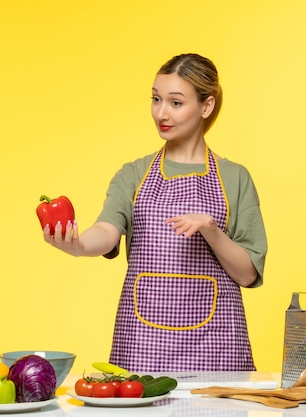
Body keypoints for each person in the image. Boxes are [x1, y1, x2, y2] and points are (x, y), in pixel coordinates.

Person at [43, 53, 267, 372]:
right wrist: (78, 246)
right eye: (156, 99)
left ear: (206, 106)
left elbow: (247, 274)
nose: (161, 113)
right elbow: (107, 231)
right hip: (142, 344)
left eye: (176, 102)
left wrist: (210, 229)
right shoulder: (134, 173)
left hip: (216, 348)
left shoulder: (235, 178)